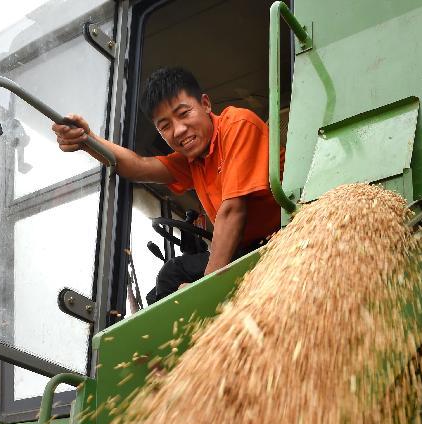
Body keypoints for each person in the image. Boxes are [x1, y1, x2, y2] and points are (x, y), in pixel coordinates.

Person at [52, 67, 283, 302]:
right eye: (165, 126)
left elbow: (233, 209)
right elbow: (138, 166)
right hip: (245, 249)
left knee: (181, 277)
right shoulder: (193, 160)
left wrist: (206, 291)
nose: (179, 130)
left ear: (205, 104)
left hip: (279, 239)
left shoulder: (238, 124)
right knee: (171, 276)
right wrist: (87, 140)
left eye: (183, 113)